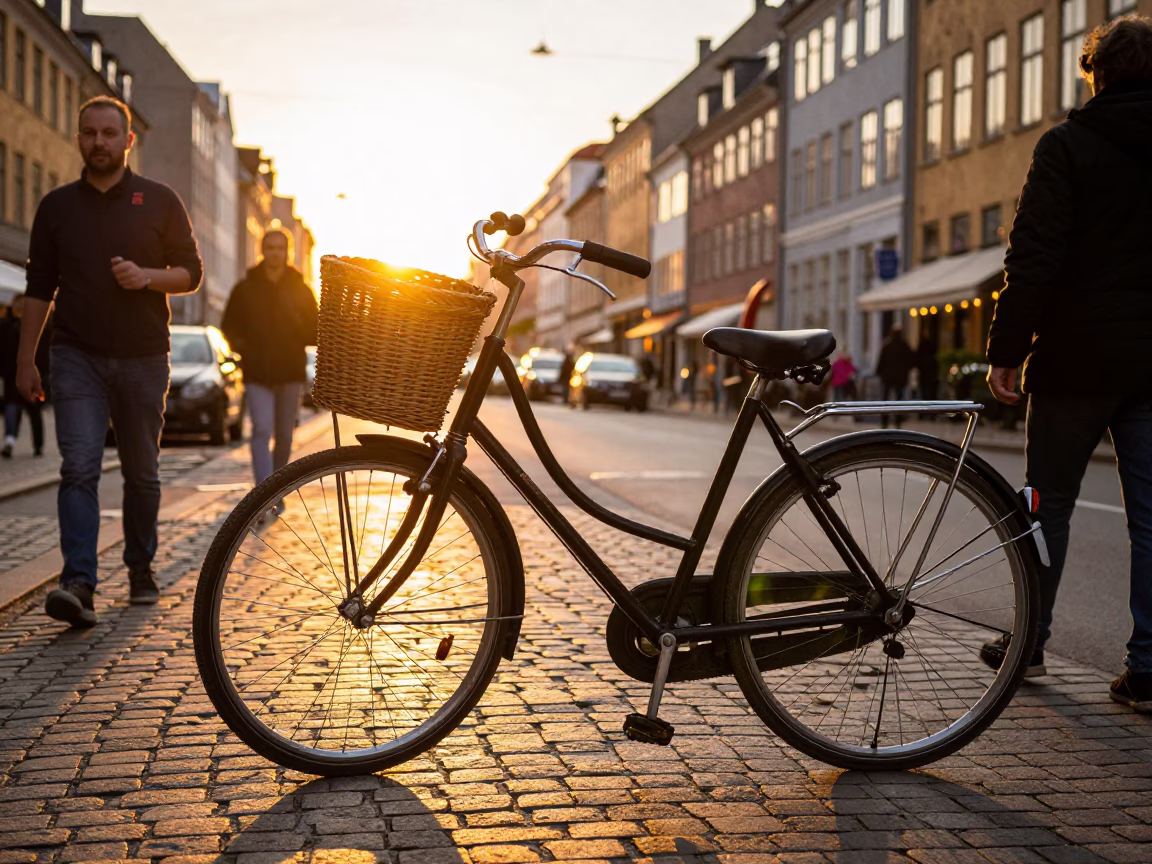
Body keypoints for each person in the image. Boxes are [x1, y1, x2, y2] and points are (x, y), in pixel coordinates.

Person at [984, 15, 1152, 712]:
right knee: (1151, 520)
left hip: (1077, 361)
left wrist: (1006, 352)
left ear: (1098, 73)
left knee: (1044, 507)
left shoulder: (1067, 146)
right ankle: (1148, 669)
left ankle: (1029, 644)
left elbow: (1035, 257)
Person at [21, 96, 203, 627]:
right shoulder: (56, 207)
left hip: (144, 357)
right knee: (78, 467)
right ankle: (78, 583)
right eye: (88, 133)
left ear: (128, 140)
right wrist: (24, 360)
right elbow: (39, 288)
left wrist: (147, 276)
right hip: (75, 355)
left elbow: (191, 273)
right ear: (77, 139)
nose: (98, 142)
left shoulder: (160, 200)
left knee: (142, 475)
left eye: (108, 133)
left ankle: (141, 567)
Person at [222, 230, 318, 499]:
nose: (275, 252)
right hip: (257, 372)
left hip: (290, 371)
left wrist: (299, 331)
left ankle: (278, 491)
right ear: (262, 249)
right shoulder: (246, 288)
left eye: (280, 247)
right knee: (262, 430)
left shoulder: (300, 288)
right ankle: (262, 495)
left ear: (287, 251)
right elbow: (229, 325)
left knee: (285, 434)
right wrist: (244, 349)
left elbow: (316, 326)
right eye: (270, 247)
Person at [0, 297, 49, 458]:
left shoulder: (39, 325)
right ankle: (10, 440)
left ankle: (38, 444)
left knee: (33, 410)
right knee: (12, 408)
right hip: (11, 375)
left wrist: (42, 373)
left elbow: (44, 351)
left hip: (35, 375)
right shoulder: (6, 325)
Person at [876, 326, 914, 428]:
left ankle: (884, 422)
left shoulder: (887, 345)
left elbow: (881, 360)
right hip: (900, 377)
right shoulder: (904, 345)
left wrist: (878, 372)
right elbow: (911, 361)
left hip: (887, 376)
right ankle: (898, 422)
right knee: (899, 400)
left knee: (885, 400)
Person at [917, 332, 939, 402]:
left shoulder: (922, 355)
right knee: (929, 390)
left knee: (925, 390)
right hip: (929, 374)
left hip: (924, 374)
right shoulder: (932, 358)